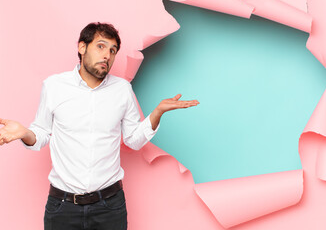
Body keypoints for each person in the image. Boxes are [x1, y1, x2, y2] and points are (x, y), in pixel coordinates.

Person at [0, 22, 199, 230]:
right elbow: (40, 134)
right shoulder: (54, 86)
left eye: (113, 51)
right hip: (63, 206)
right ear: (82, 47)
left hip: (109, 206)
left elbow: (133, 140)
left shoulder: (122, 90)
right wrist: (24, 132)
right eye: (101, 46)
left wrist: (156, 114)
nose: (107, 55)